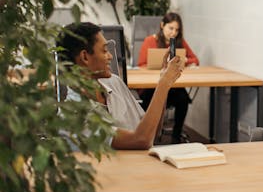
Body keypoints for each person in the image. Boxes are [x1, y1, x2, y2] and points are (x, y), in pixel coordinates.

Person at [57, 22, 183, 150]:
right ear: (85, 57)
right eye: (105, 50)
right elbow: (141, 140)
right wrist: (163, 84)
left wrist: (164, 83)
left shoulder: (114, 82)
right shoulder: (74, 117)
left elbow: (152, 132)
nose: (110, 56)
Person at [137, 12, 199, 143]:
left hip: (172, 86)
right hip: (152, 86)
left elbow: (195, 60)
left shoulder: (179, 42)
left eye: (177, 30)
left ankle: (176, 136)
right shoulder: (150, 40)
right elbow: (141, 65)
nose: (174, 33)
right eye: (171, 28)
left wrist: (185, 59)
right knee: (147, 98)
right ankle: (149, 135)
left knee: (183, 98)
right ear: (162, 25)